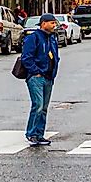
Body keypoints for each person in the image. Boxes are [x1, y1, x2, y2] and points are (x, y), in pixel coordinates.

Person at [20, 13, 61, 146]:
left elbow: (55, 57)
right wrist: (35, 71)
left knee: (44, 107)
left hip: (49, 77)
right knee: (37, 104)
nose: (54, 25)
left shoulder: (52, 39)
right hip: (36, 77)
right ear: (43, 23)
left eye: (54, 23)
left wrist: (53, 73)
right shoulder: (34, 38)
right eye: (52, 23)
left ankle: (39, 134)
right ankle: (31, 134)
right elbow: (27, 57)